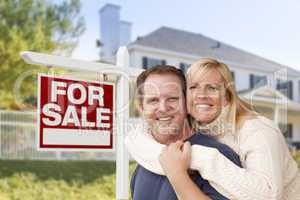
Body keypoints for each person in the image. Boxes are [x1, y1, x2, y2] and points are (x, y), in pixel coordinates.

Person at [126, 58, 300, 200]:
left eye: (212, 88)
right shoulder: (149, 158)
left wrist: (192, 162)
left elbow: (268, 195)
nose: (201, 95)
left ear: (226, 97)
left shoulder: (256, 131)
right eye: (194, 87)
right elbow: (136, 138)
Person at [126, 65, 242, 200]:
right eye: (153, 100)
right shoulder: (146, 162)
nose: (163, 108)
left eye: (172, 99)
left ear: (187, 103)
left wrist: (178, 174)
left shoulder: (219, 155)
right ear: (141, 108)